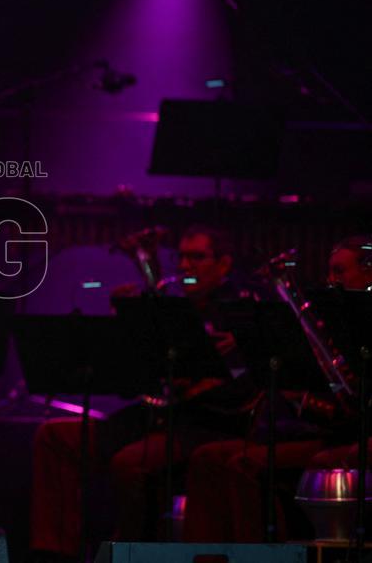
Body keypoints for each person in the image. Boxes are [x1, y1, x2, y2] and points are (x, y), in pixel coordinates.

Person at [30, 225, 255, 559]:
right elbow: (131, 379)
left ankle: (130, 552)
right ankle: (54, 553)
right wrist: (126, 323)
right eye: (181, 256)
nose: (185, 266)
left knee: (131, 462)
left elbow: (242, 388)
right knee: (54, 437)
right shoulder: (170, 307)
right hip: (158, 417)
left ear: (223, 265)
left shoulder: (242, 312)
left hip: (205, 424)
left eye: (197, 257)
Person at [182, 234, 372, 542]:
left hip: (336, 433)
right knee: (208, 458)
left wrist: (307, 397)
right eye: (329, 272)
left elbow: (349, 410)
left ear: (369, 272)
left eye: (340, 271)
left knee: (245, 464)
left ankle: (263, 555)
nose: (330, 280)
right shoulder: (329, 320)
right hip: (311, 429)